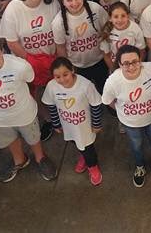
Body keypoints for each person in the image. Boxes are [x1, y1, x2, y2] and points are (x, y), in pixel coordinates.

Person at [0, 34, 57, 182]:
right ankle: (19, 160)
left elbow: (30, 82)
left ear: (2, 50)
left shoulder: (20, 66)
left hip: (23, 113)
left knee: (33, 137)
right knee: (9, 139)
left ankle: (41, 158)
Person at [0, 0, 61, 140]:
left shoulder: (52, 3)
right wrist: (31, 60)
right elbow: (11, 41)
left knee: (55, 91)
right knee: (32, 95)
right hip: (27, 61)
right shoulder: (14, 8)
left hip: (51, 58)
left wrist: (56, 56)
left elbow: (60, 30)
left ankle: (60, 116)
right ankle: (47, 120)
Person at [102, 44, 151, 187]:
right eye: (126, 64)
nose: (131, 67)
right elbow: (107, 101)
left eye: (134, 62)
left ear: (140, 60)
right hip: (131, 123)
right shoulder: (113, 81)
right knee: (136, 144)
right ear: (119, 65)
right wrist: (122, 111)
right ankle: (140, 166)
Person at [42, 57, 105, 185]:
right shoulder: (52, 86)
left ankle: (92, 166)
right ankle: (83, 155)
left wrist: (96, 123)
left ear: (72, 70)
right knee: (74, 141)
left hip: (85, 126)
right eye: (57, 76)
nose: (62, 79)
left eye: (65, 74)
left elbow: (96, 104)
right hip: (68, 126)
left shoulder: (86, 85)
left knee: (88, 148)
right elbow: (51, 105)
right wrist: (56, 123)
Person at [52, 0, 109, 92]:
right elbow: (61, 48)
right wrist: (67, 68)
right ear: (63, 2)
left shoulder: (95, 9)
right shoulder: (58, 23)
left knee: (105, 90)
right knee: (85, 93)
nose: (74, 3)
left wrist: (107, 50)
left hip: (100, 60)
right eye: (69, 0)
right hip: (77, 66)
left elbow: (107, 27)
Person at [103, 2, 146, 71]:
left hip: (133, 64)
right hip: (116, 65)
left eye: (123, 16)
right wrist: (114, 70)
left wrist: (136, 66)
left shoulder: (135, 28)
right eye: (116, 17)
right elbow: (106, 55)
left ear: (128, 16)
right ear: (110, 18)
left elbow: (141, 50)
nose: (120, 20)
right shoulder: (107, 31)